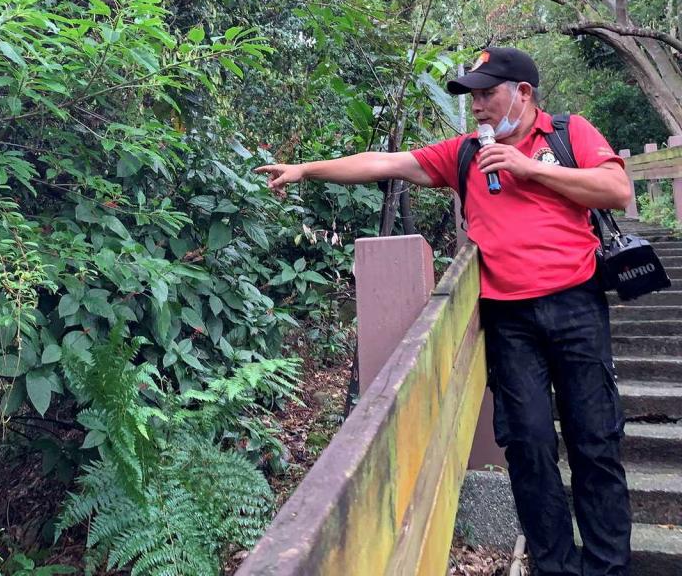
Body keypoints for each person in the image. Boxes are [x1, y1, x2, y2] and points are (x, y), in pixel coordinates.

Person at [255, 47, 634, 576]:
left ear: (522, 92)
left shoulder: (567, 133)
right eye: (473, 96)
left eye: (487, 93)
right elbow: (385, 164)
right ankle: (556, 568)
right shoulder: (463, 155)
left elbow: (617, 189)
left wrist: (528, 168)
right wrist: (305, 170)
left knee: (595, 444)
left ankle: (609, 568)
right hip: (509, 321)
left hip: (577, 307)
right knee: (527, 449)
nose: (477, 105)